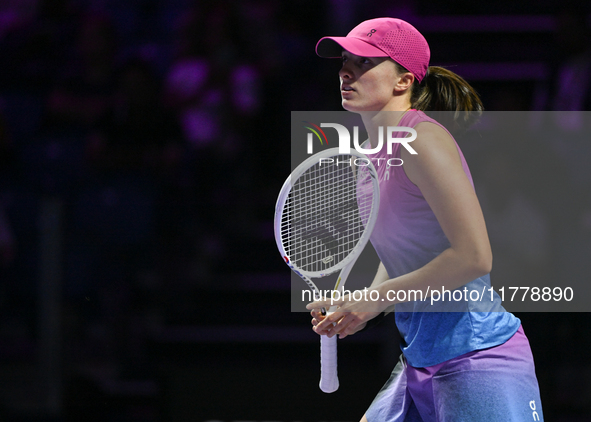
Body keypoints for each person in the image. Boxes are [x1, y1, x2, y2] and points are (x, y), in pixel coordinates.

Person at [306, 18, 544, 422]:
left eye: (364, 62)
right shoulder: (365, 158)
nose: (346, 71)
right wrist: (359, 305)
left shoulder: (424, 140)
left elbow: (473, 257)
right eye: (345, 60)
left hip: (478, 357)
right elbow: (402, 251)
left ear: (402, 82)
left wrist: (374, 299)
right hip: (419, 361)